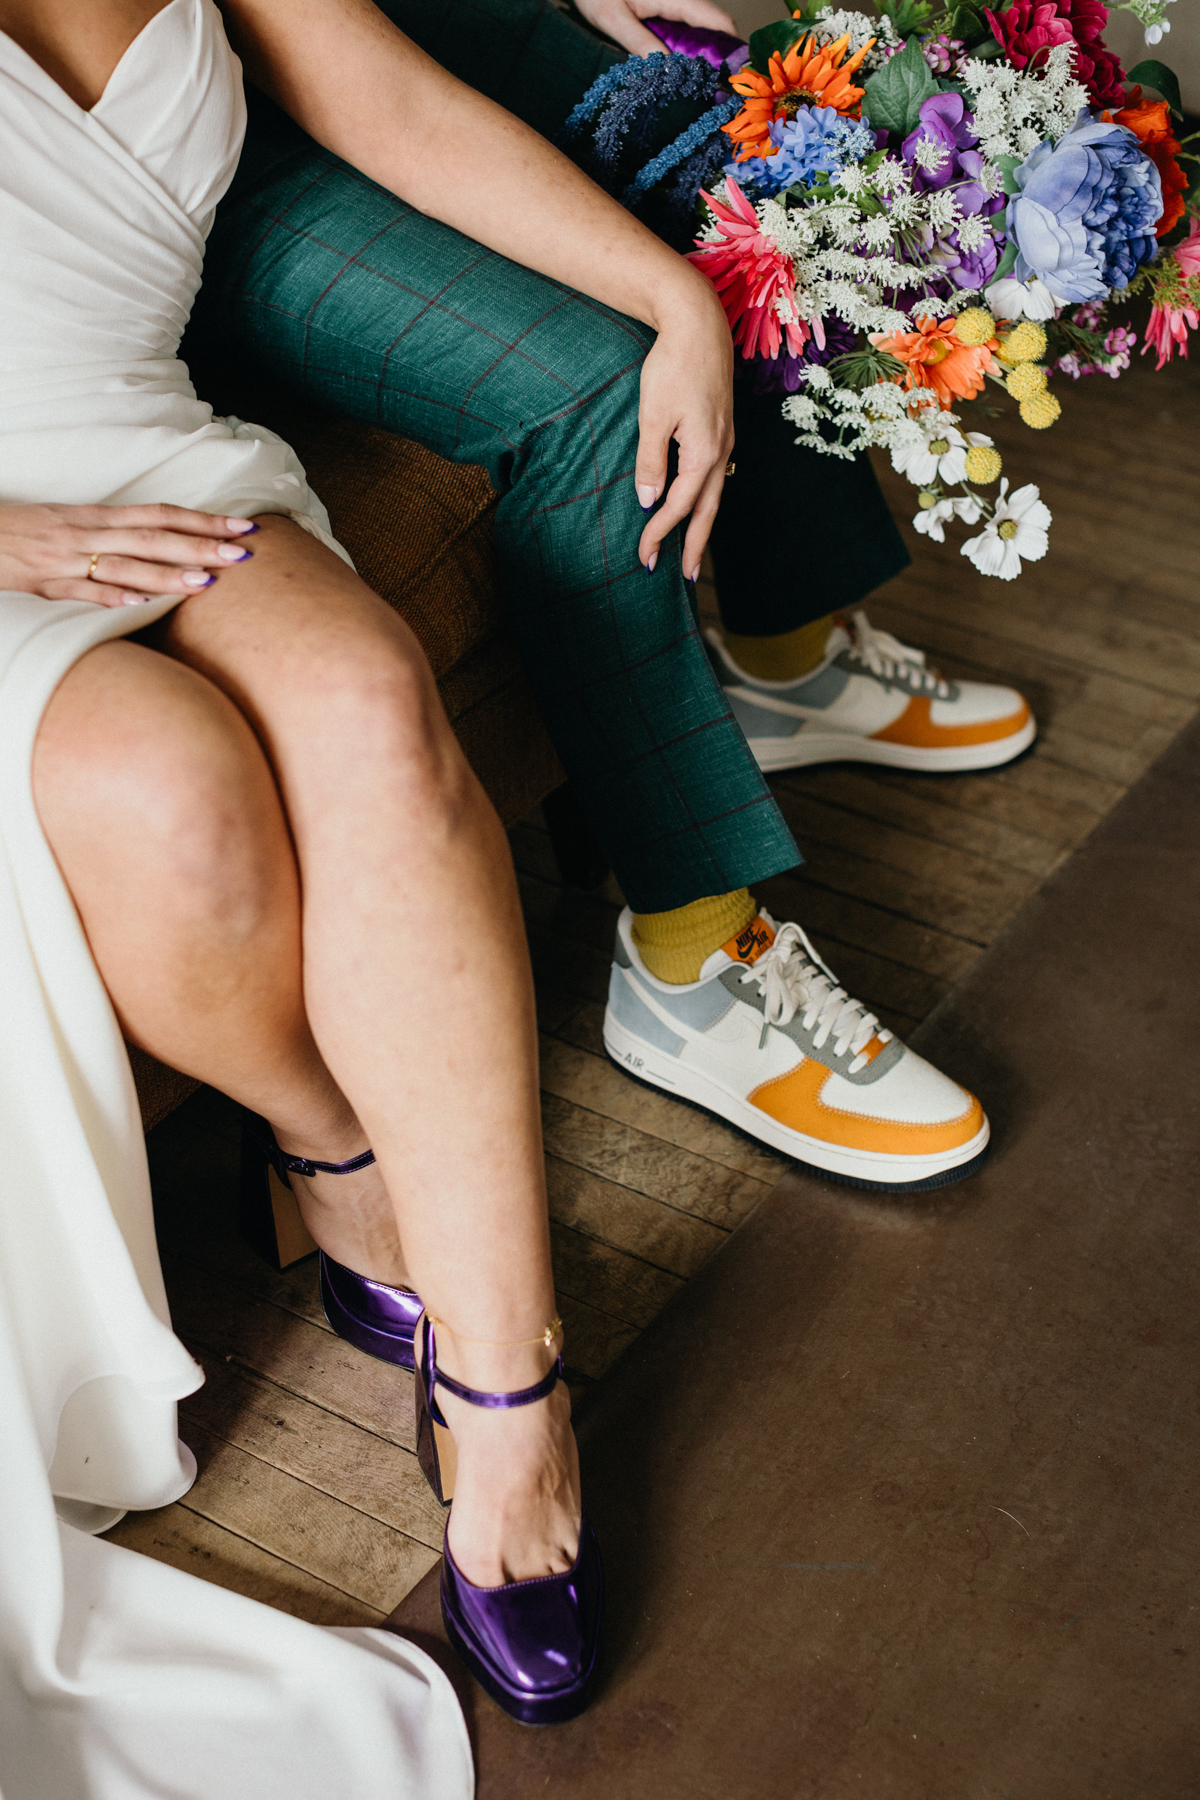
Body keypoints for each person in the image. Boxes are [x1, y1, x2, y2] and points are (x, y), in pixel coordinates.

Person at [0, 0, 984, 1785]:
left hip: (135, 440)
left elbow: (376, 89)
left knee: (373, 702)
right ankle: (333, 1153)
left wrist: (677, 298)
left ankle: (509, 1401)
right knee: (168, 784)